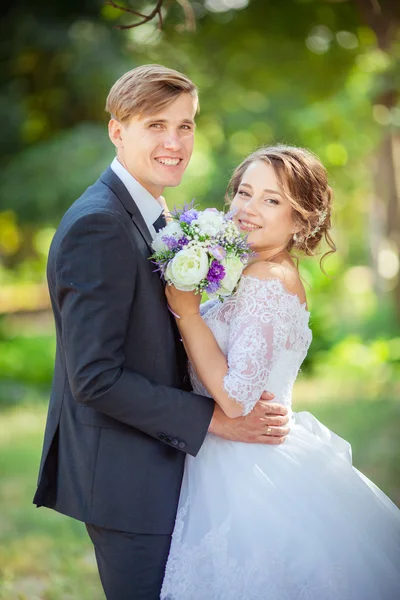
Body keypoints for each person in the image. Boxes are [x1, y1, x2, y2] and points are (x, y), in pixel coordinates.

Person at [32, 65, 290, 600]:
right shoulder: (99, 224)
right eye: (156, 125)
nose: (175, 143)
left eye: (186, 125)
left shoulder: (151, 213)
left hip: (163, 467)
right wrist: (217, 421)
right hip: (127, 481)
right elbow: (95, 378)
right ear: (117, 130)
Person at [162, 145, 400, 599]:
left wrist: (188, 314)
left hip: (249, 470)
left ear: (300, 220)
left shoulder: (267, 280)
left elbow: (236, 399)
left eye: (272, 200)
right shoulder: (253, 270)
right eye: (244, 193)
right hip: (223, 456)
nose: (248, 209)